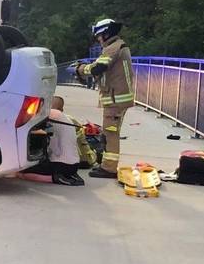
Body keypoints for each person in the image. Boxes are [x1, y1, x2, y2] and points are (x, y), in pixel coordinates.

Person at [72, 18, 134, 179]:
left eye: (99, 36)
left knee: (110, 134)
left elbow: (99, 67)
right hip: (116, 99)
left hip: (115, 99)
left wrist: (80, 69)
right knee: (109, 133)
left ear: (106, 33)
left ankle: (109, 168)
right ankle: (107, 165)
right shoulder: (118, 46)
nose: (98, 39)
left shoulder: (113, 48)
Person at [18, 96, 85, 186]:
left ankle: (56, 178)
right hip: (73, 165)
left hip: (61, 165)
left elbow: (28, 121)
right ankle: (64, 175)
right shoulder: (66, 119)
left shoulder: (53, 113)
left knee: (23, 173)